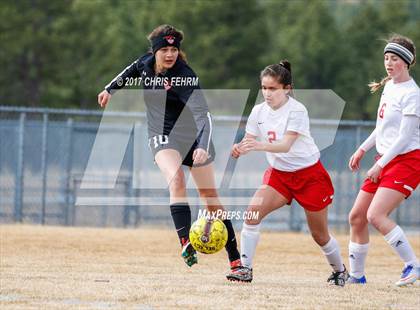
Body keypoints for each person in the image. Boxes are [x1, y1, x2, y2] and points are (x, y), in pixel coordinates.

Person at [97, 24, 241, 276]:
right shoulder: (145, 63)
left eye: (174, 49)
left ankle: (235, 260)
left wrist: (203, 147)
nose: (170, 53)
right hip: (162, 136)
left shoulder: (184, 75)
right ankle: (186, 243)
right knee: (176, 180)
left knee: (211, 199)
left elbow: (204, 115)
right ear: (154, 52)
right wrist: (109, 89)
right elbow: (129, 72)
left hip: (195, 139)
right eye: (164, 48)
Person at [226, 60, 348, 285]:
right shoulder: (258, 111)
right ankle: (245, 269)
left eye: (272, 88)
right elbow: (249, 139)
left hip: (310, 176)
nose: (267, 93)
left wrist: (257, 146)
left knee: (319, 235)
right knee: (252, 213)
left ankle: (340, 270)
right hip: (279, 175)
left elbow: (285, 145)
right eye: (263, 88)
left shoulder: (297, 110)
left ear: (287, 88)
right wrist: (239, 148)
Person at [347, 34, 419, 286]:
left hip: (407, 161)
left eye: (395, 58)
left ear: (407, 62)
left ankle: (413, 265)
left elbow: (404, 137)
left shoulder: (412, 94)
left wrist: (380, 165)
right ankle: (356, 277)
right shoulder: (389, 86)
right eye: (387, 58)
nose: (389, 63)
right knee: (357, 216)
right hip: (386, 158)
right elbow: (382, 128)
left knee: (376, 215)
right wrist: (362, 149)